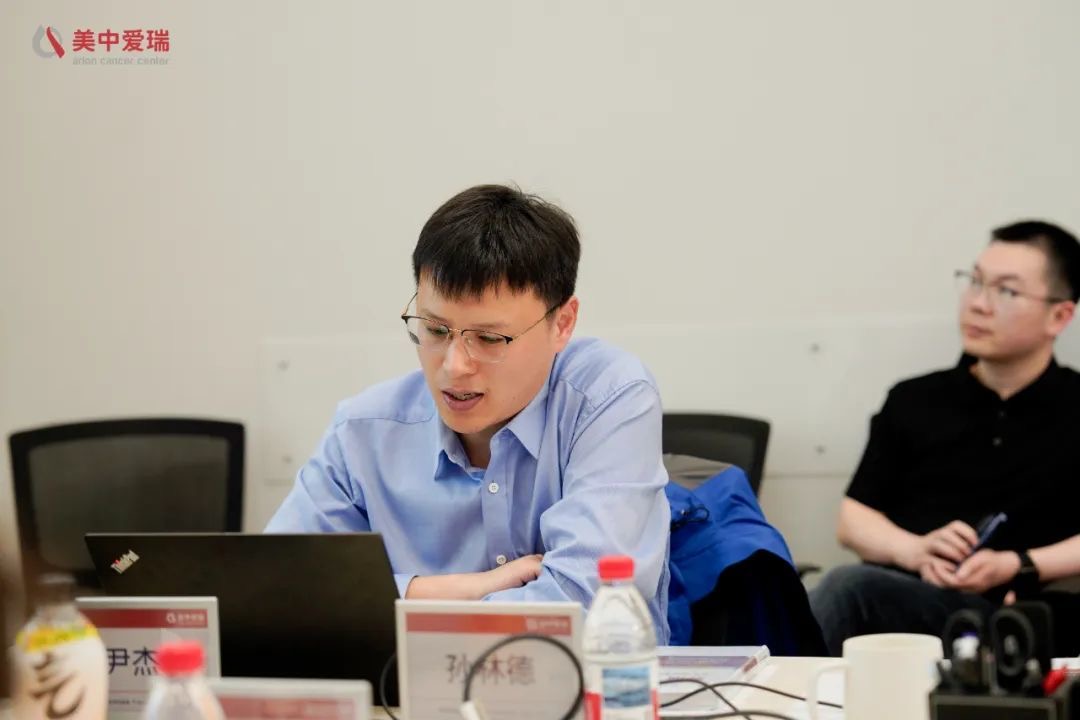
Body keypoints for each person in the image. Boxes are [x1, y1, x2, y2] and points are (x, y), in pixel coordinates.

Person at [267, 184, 671, 641]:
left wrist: (393, 603)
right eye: (435, 330)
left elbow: (587, 599)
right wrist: (448, 590)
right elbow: (278, 589)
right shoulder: (363, 432)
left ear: (562, 323)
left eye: (489, 338)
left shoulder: (607, 398)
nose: (454, 366)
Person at [810, 220, 1080, 656]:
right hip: (915, 602)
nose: (978, 304)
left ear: (1059, 316)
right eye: (975, 282)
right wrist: (915, 551)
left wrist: (1020, 564)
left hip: (1030, 615)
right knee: (847, 587)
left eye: (1006, 291)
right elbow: (854, 519)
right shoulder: (914, 398)